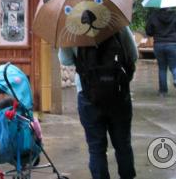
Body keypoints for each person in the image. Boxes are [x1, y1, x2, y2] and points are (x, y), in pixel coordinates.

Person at [59, 26, 138, 179]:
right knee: (123, 146)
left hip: (88, 95)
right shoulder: (118, 23)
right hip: (118, 93)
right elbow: (133, 55)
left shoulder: (71, 28)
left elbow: (66, 60)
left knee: (96, 149)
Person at [145, 8, 176, 95]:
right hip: (172, 44)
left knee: (162, 68)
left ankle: (163, 91)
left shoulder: (153, 16)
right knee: (174, 66)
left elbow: (149, 31)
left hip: (159, 44)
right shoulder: (175, 16)